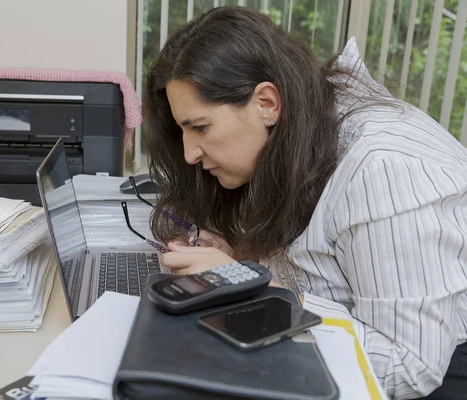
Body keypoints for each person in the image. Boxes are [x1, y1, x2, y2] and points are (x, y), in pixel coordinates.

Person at [142, 6, 467, 400]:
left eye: (200, 127)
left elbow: (407, 367)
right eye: (182, 130)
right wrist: (241, 263)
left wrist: (255, 293)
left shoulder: (383, 169)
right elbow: (325, 264)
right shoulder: (308, 129)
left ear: (267, 103)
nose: (190, 153)